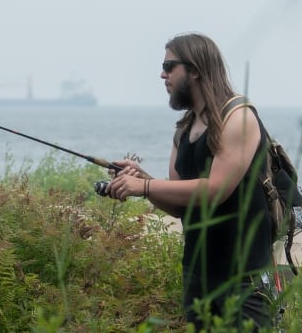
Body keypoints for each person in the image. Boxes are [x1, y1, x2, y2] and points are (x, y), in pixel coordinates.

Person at [103, 33, 274, 331]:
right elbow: (181, 205)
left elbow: (215, 190)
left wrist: (145, 187)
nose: (162, 74)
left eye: (169, 66)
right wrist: (142, 181)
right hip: (197, 276)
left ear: (194, 69)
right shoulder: (184, 129)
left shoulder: (238, 118)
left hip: (244, 280)